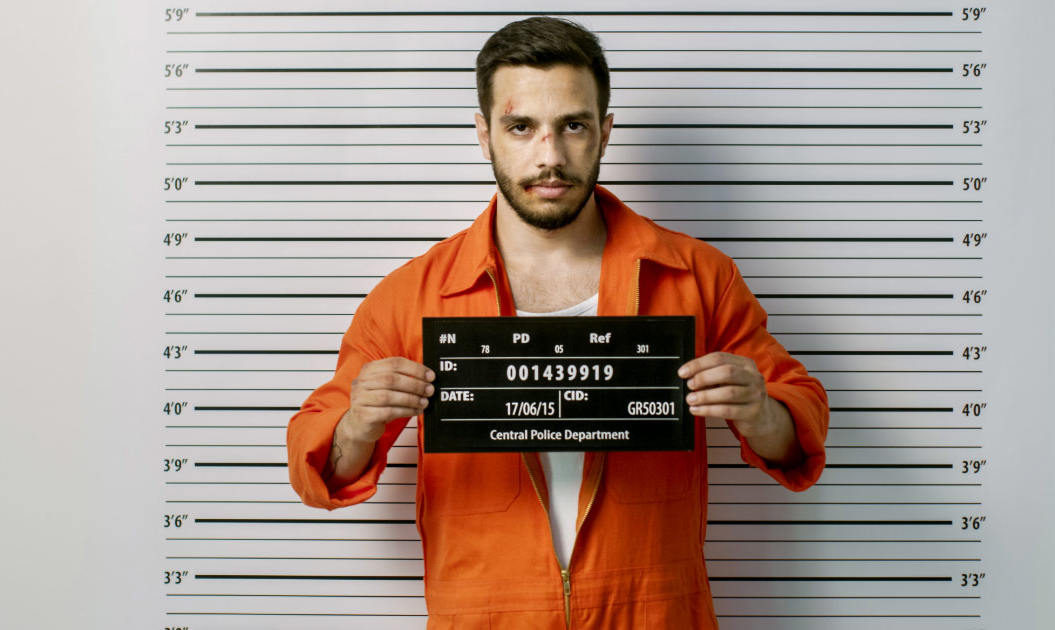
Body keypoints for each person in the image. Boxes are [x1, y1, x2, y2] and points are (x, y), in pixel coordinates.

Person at [287, 17, 829, 629]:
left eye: (573, 125)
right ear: (485, 135)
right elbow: (318, 469)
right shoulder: (410, 296)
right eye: (521, 127)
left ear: (605, 132)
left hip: (656, 616)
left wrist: (760, 411)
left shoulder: (698, 276)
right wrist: (358, 425)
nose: (550, 157)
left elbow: (799, 430)